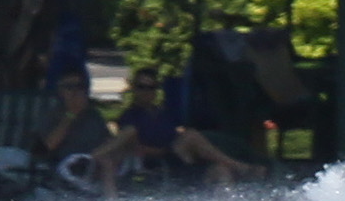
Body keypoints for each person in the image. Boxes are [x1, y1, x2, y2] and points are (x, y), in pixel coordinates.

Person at [110, 69, 257, 189]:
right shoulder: (129, 117)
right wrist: (164, 151)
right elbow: (132, 148)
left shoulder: (162, 113)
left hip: (179, 156)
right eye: (141, 87)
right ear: (134, 88)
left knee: (221, 171)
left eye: (151, 87)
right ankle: (240, 167)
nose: (146, 92)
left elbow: (174, 132)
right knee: (191, 135)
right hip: (158, 160)